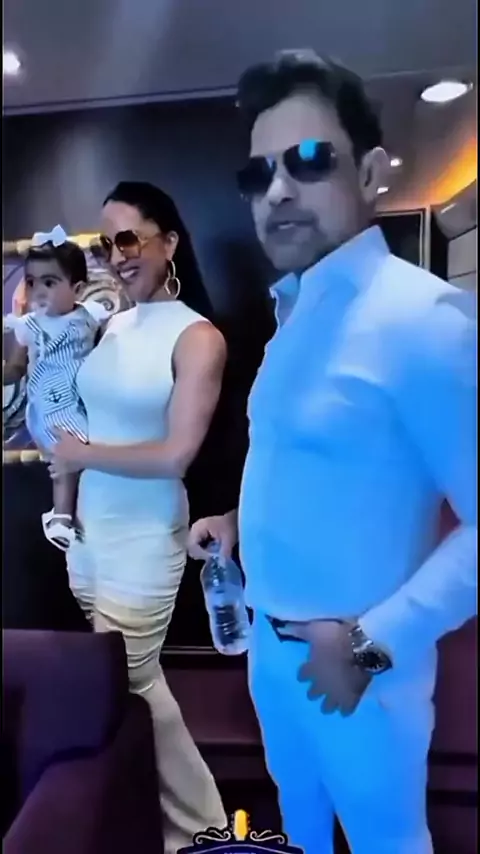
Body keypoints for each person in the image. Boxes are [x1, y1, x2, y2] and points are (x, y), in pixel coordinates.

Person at [188, 52, 477, 854]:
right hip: (269, 648)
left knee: (386, 842)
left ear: (373, 173)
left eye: (311, 159)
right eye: (259, 173)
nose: (278, 189)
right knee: (300, 823)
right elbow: (313, 465)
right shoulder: (293, 316)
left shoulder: (424, 320)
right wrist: (236, 521)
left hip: (363, 671)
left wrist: (372, 642)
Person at [49, 182, 227, 852]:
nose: (115, 255)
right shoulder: (112, 325)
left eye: (127, 238)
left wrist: (82, 454)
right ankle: (181, 831)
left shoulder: (198, 337)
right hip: (91, 534)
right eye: (105, 244)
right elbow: (89, 420)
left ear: (168, 241)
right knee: (132, 689)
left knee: (131, 681)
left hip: (146, 536)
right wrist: (68, 485)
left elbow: (176, 454)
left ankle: (202, 834)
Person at [3, 226, 110, 550]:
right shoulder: (30, 325)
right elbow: (15, 368)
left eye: (49, 283)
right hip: (44, 404)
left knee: (66, 463)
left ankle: (63, 517)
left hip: (72, 402)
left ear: (77, 288)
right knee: (61, 461)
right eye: (31, 282)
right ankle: (63, 515)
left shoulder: (90, 318)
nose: (39, 291)